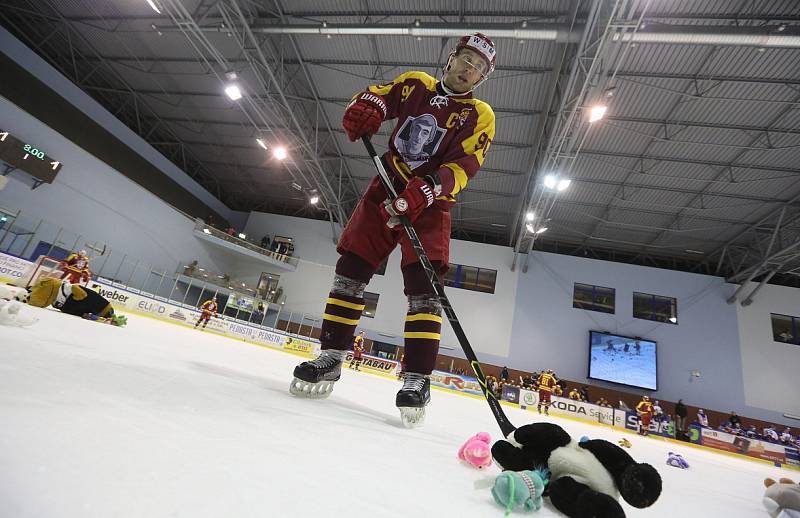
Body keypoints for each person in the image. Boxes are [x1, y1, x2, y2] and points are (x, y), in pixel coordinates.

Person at [288, 33, 497, 427]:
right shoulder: (416, 83)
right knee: (350, 273)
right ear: (451, 59)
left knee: (424, 290)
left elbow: (466, 165)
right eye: (467, 59)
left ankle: (417, 379)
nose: (470, 69)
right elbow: (379, 96)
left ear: (482, 78)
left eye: (479, 67)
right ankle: (331, 357)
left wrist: (430, 187)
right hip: (386, 183)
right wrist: (367, 105)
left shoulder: (480, 114)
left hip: (431, 205)